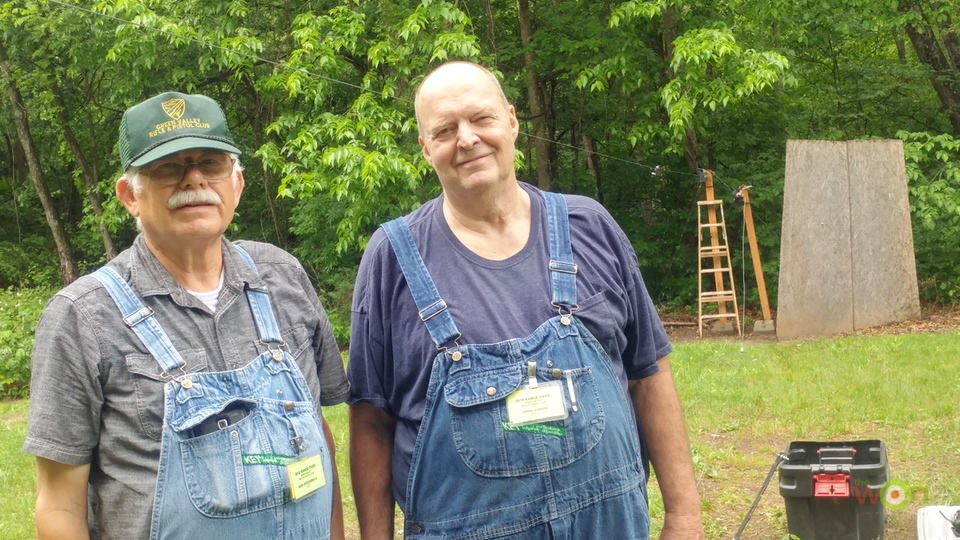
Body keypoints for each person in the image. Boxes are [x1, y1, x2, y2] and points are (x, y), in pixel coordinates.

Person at [347, 61, 704, 538]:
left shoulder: (590, 227)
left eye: (482, 119)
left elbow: (649, 375)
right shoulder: (391, 258)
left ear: (512, 121)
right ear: (426, 147)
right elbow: (371, 422)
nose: (467, 138)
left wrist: (684, 516)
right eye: (446, 129)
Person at [23, 91, 349, 540]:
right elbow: (59, 506)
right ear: (128, 196)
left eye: (211, 164)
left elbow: (316, 435)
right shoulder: (82, 317)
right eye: (168, 167)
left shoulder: (282, 277)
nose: (194, 180)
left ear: (236, 183)